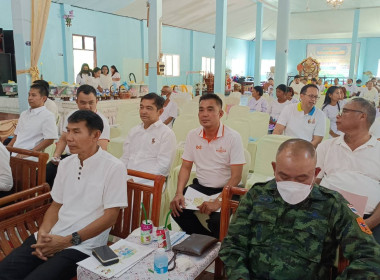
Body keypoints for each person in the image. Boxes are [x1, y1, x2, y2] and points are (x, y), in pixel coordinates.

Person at [219, 139, 380, 279]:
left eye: (302, 178)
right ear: (274, 168)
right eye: (284, 176)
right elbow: (232, 245)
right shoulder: (257, 195)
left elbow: (371, 257)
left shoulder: (332, 205)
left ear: (316, 172)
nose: (292, 184)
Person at [0, 110, 127, 280]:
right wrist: (43, 234)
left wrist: (66, 242)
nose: (69, 137)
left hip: (83, 246)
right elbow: (56, 205)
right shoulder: (66, 163)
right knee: (4, 272)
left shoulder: (113, 167)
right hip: (52, 236)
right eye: (68, 130)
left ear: (96, 135)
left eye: (76, 131)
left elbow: (110, 217)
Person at [170, 93, 245, 238]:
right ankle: (206, 240)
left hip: (227, 189)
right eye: (201, 110)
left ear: (221, 113)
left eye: (210, 109)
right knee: (177, 210)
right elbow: (185, 167)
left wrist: (219, 201)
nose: (205, 114)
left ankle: (213, 243)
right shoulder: (193, 135)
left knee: (217, 222)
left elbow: (236, 176)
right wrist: (178, 193)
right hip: (201, 187)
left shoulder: (233, 137)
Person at [316, 98, 380, 243]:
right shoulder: (327, 146)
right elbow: (314, 182)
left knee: (371, 261)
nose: (337, 116)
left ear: (362, 116)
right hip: (326, 214)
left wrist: (367, 224)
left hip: (369, 219)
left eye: (344, 111)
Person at [46, 85, 110, 187]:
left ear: (96, 101)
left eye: (91, 102)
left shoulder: (101, 122)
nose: (87, 107)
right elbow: (63, 139)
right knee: (46, 174)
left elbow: (102, 149)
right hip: (69, 157)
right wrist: (56, 156)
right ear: (77, 102)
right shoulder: (72, 116)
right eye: (83, 103)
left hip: (87, 161)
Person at [120, 93, 176, 182]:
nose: (143, 111)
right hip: (127, 179)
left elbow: (164, 167)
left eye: (149, 108)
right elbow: (125, 158)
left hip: (150, 183)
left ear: (160, 112)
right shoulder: (134, 131)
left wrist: (136, 180)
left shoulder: (166, 133)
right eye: (141, 107)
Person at [8, 84, 58, 158]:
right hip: (15, 153)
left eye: (33, 95)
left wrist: (30, 153)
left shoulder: (48, 116)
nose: (30, 98)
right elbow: (17, 135)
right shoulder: (24, 114)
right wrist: (7, 148)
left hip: (30, 157)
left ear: (43, 98)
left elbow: (50, 139)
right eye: (29, 95)